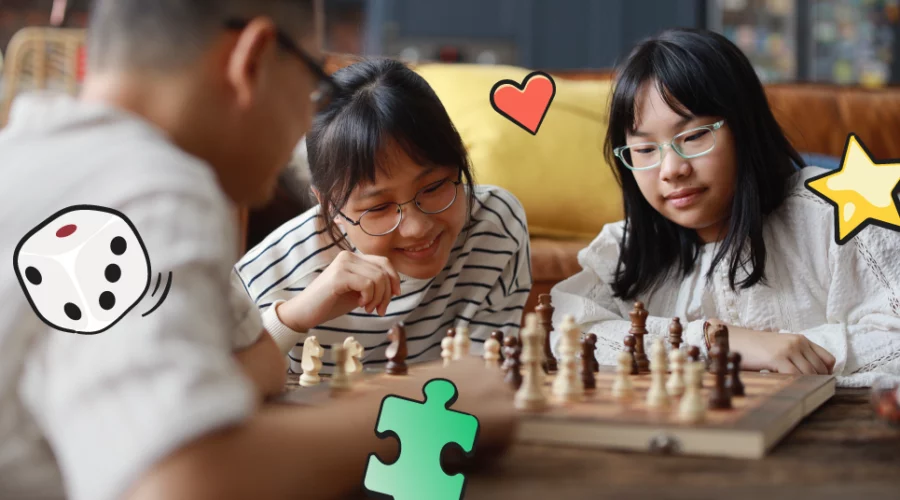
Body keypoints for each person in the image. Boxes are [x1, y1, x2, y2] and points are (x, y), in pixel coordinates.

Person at [0, 2, 515, 500]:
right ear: (252, 61)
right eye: (315, 81)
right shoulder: (151, 185)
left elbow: (242, 371)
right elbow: (175, 484)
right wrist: (417, 406)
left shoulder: (29, 160)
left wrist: (297, 317)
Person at [550, 28, 900, 388]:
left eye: (694, 136)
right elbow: (563, 332)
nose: (672, 170)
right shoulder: (625, 246)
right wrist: (713, 340)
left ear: (744, 126)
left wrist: (791, 352)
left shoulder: (839, 208)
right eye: (644, 150)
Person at [234, 58, 532, 373]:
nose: (417, 228)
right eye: (378, 207)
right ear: (328, 205)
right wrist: (292, 318)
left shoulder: (496, 227)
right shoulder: (269, 275)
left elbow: (481, 389)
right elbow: (203, 400)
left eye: (433, 188)